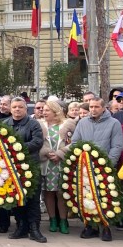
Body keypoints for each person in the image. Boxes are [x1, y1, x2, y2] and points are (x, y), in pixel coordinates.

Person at [71, 97, 123, 240]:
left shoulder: (114, 123)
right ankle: (91, 226)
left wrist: (108, 164)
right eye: (91, 107)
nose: (93, 110)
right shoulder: (82, 123)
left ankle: (106, 226)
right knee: (88, 196)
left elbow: (117, 146)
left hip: (105, 168)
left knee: (106, 196)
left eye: (96, 107)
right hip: (85, 168)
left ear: (104, 108)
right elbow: (75, 142)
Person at [3, 97, 50, 243]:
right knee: (17, 198)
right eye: (14, 107)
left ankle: (34, 229)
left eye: (20, 107)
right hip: (12, 168)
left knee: (33, 199)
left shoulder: (33, 123)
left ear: (25, 109)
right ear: (10, 109)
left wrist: (17, 148)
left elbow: (37, 142)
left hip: (31, 166)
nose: (17, 109)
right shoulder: (5, 124)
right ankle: (21, 227)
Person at [39, 100, 71, 235]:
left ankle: (63, 220)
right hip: (47, 164)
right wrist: (46, 152)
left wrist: (60, 153)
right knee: (48, 193)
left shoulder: (67, 124)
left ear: (55, 111)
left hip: (62, 164)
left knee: (61, 193)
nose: (44, 112)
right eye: (43, 110)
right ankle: (52, 220)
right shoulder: (40, 125)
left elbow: (75, 141)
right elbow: (38, 142)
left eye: (47, 110)